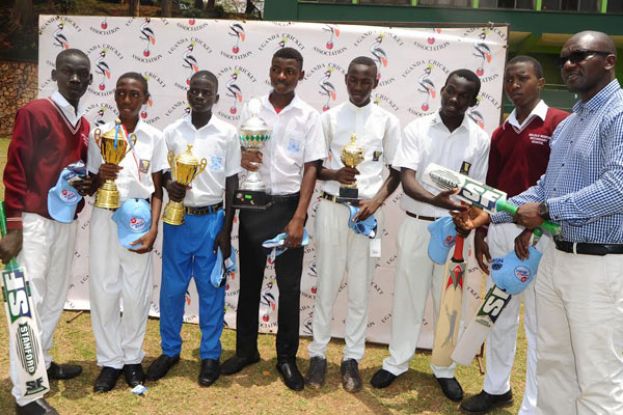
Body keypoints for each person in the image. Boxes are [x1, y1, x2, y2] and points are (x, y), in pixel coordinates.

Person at [455, 31, 623, 415]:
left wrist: (546, 212)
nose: (568, 64)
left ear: (609, 60)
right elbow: (545, 186)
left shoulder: (619, 115)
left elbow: (618, 188)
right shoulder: (570, 123)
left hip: (599, 265)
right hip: (556, 258)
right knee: (553, 366)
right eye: (564, 58)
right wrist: (493, 213)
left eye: (579, 55)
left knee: (598, 379)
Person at [369, 69, 489, 402]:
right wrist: (435, 200)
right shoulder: (417, 128)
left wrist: (472, 222)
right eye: (450, 91)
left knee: (448, 302)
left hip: (456, 231)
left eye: (463, 95)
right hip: (418, 223)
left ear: (473, 101)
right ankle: (396, 362)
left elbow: (476, 192)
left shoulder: (479, 138)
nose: (455, 99)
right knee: (408, 296)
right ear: (441, 91)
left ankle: (444, 369)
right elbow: (406, 179)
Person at [459, 56, 568, 415]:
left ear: (541, 81)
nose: (515, 86)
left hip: (540, 239)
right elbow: (491, 190)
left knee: (537, 326)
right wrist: (482, 233)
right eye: (509, 80)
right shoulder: (500, 133)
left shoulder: (558, 124)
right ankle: (496, 388)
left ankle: (533, 406)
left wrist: (533, 230)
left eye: (523, 78)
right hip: (503, 234)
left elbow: (558, 184)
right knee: (499, 315)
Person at [220, 47, 326, 391]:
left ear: (300, 75)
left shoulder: (309, 116)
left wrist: (299, 217)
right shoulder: (252, 107)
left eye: (290, 71)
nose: (282, 77)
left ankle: (286, 358)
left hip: (288, 208)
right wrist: (245, 156)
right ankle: (246, 351)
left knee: (290, 287)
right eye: (277, 70)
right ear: (270, 70)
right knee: (249, 282)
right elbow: (240, 150)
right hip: (254, 203)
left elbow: (312, 168)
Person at [0, 49, 93, 415]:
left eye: (81, 74)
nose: (74, 79)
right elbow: (16, 170)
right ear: (55, 74)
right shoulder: (34, 112)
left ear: (89, 80)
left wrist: (86, 186)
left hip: (64, 220)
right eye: (67, 72)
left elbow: (71, 174)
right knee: (30, 302)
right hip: (34, 222)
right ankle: (26, 393)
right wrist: (14, 225)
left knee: (54, 297)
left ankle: (45, 360)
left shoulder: (83, 124)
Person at [305, 56, 401, 392]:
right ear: (345, 80)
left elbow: (398, 171)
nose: (359, 87)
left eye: (366, 81)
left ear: (376, 81)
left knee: (360, 289)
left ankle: (351, 358)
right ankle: (318, 354)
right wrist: (335, 173)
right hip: (332, 208)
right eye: (354, 81)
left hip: (366, 214)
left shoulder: (387, 122)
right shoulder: (328, 118)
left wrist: (375, 202)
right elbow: (315, 167)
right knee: (327, 285)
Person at [145, 70, 241, 387]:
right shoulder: (171, 132)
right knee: (172, 290)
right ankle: (170, 351)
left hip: (212, 220)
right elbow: (161, 172)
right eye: (195, 90)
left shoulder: (227, 134)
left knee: (211, 290)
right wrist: (171, 183)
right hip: (178, 220)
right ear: (188, 94)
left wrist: (226, 230)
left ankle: (210, 355)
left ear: (216, 97)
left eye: (206, 92)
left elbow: (232, 183)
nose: (200, 96)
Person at [87, 72, 167, 393]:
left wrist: (153, 229)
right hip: (105, 215)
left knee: (136, 292)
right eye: (121, 93)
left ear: (145, 99)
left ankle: (132, 358)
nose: (126, 100)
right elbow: (89, 184)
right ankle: (109, 361)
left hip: (138, 218)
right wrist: (100, 176)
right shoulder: (100, 135)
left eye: (134, 94)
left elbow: (159, 190)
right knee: (105, 289)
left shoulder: (154, 138)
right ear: (115, 96)